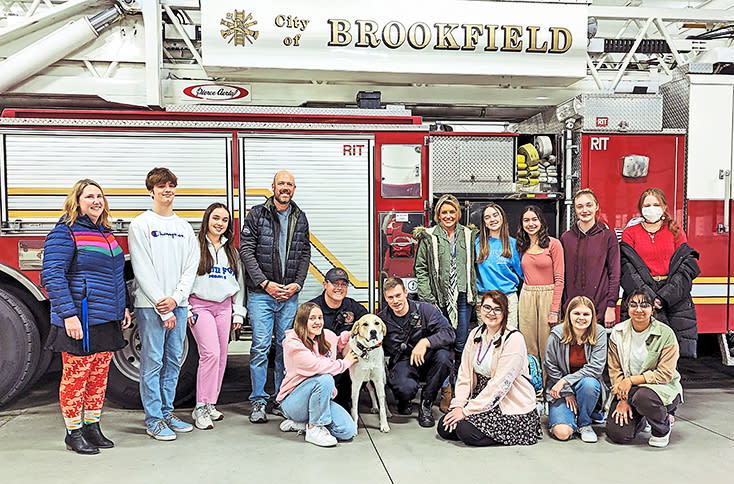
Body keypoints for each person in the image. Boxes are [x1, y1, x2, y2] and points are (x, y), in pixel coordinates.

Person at [42, 179, 131, 455]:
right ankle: (74, 432)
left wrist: (123, 307)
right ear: (76, 202)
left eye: (99, 196)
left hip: (105, 318)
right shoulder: (64, 232)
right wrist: (68, 315)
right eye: (89, 196)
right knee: (75, 376)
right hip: (80, 319)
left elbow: (117, 275)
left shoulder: (106, 232)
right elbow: (53, 275)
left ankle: (92, 427)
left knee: (99, 376)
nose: (96, 200)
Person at [129, 167, 199, 441]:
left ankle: (168, 412)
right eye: (161, 186)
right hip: (151, 307)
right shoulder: (141, 225)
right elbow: (142, 268)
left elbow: (191, 266)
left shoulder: (183, 227)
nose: (167, 190)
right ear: (151, 191)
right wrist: (164, 304)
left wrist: (178, 299)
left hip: (179, 305)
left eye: (171, 185)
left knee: (173, 361)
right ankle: (154, 419)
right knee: (153, 362)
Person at [240, 170, 311, 423]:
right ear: (272, 186)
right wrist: (265, 283)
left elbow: (305, 254)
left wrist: (297, 285)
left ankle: (281, 399)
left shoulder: (299, 218)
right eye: (281, 183)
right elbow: (246, 251)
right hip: (262, 295)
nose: (285, 188)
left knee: (286, 349)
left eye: (289, 184)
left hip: (289, 296)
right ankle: (258, 402)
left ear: (294, 188)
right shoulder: (257, 214)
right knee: (260, 348)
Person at [437, 290, 541, 446]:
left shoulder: (514, 338)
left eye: (497, 309)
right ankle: (472, 423)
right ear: (480, 309)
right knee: (444, 427)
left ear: (505, 312)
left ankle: (518, 433)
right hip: (480, 399)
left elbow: (500, 385)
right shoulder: (475, 334)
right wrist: (458, 405)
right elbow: (464, 375)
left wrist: (466, 411)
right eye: (487, 307)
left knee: (465, 430)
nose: (491, 313)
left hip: (507, 402)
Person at [413, 194, 478, 412]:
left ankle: (460, 388)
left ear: (458, 213)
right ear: (437, 215)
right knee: (442, 344)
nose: (448, 216)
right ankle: (444, 389)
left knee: (461, 345)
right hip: (437, 298)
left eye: (452, 212)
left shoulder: (468, 235)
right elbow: (420, 269)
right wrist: (428, 299)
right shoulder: (429, 236)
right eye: (444, 212)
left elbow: (475, 267)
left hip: (462, 296)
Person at [620, 187, 700, 358]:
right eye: (647, 205)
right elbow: (627, 268)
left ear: (664, 208)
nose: (651, 208)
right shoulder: (630, 233)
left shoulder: (675, 230)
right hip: (641, 296)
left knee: (671, 352)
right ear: (640, 209)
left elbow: (686, 265)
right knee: (640, 352)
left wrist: (665, 296)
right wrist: (648, 297)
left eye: (656, 204)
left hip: (674, 297)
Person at [187, 203, 246, 430]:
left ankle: (211, 403)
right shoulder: (195, 246)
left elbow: (239, 284)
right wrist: (186, 308)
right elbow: (184, 278)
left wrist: (238, 312)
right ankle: (199, 408)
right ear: (207, 220)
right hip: (200, 306)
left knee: (221, 357)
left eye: (224, 220)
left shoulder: (231, 251)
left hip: (224, 308)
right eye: (216, 218)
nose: (220, 223)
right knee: (209, 354)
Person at [606, 288, 683, 448]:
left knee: (643, 397)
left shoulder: (666, 333)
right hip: (628, 391)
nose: (639, 310)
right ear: (627, 307)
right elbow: (614, 370)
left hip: (660, 389)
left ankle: (662, 428)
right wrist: (622, 399)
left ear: (652, 309)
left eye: (645, 305)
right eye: (633, 305)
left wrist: (631, 380)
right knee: (618, 435)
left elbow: (665, 374)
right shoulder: (618, 332)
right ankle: (641, 418)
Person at [276, 302, 359, 447]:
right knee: (324, 379)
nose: (318, 322)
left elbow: (338, 342)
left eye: (320, 318)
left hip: (320, 400)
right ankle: (314, 429)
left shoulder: (326, 335)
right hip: (294, 402)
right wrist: (345, 363)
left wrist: (351, 334)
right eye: (312, 318)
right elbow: (317, 366)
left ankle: (301, 424)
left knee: (347, 431)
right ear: (302, 321)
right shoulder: (293, 344)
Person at [378, 277, 455, 428]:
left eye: (398, 295)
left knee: (444, 357)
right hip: (403, 362)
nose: (395, 301)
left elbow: (449, 333)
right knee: (404, 387)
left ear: (406, 292)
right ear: (385, 298)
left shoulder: (425, 310)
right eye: (390, 297)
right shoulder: (382, 319)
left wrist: (425, 342)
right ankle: (404, 399)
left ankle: (426, 404)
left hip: (428, 360)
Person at [544, 296, 607, 443]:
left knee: (589, 384)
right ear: (568, 315)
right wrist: (566, 391)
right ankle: (567, 416)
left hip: (585, 387)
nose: (581, 318)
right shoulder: (557, 334)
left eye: (586, 314)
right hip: (559, 389)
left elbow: (595, 368)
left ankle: (584, 423)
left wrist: (565, 381)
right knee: (562, 433)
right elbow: (550, 365)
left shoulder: (600, 333)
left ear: (592, 316)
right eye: (576, 313)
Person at [309, 267, 368, 410]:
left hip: (346, 363)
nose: (339, 288)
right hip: (322, 363)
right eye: (335, 283)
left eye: (343, 284)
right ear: (325, 285)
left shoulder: (352, 306)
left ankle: (346, 400)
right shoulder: (313, 308)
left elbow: (369, 324)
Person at [560, 189, 620, 328]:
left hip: (599, 310)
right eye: (579, 206)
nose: (584, 210)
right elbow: (561, 275)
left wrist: (611, 307)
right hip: (571, 311)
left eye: (589, 205)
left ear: (596, 206)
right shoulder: (566, 238)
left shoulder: (608, 237)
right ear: (575, 209)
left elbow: (615, 274)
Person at [516, 205, 564, 375]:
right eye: (526, 220)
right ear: (521, 224)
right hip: (527, 296)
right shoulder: (521, 246)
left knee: (547, 346)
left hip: (548, 296)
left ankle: (549, 387)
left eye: (534, 219)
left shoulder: (554, 244)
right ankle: (534, 388)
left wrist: (554, 310)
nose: (531, 223)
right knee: (528, 346)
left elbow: (559, 280)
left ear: (541, 221)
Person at [475, 202, 523, 329]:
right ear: (484, 223)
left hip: (508, 298)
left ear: (502, 217)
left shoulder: (513, 244)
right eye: (487, 217)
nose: (492, 219)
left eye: (495, 215)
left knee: (509, 336)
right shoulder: (477, 243)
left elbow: (523, 273)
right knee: (486, 338)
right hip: (484, 298)